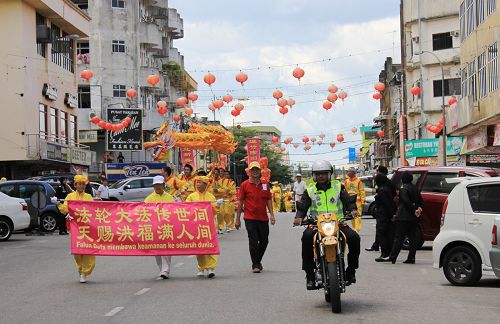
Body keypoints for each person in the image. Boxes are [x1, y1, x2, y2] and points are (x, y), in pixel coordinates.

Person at [294, 160, 360, 288]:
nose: (321, 176)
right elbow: (303, 205)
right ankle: (310, 275)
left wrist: (353, 209)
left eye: (324, 173)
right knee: (306, 237)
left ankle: (351, 270)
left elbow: (348, 200)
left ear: (329, 174)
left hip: (338, 222)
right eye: (318, 174)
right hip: (316, 224)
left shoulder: (338, 186)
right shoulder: (310, 189)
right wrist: (298, 217)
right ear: (314, 175)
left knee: (354, 238)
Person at [235, 161, 276, 273]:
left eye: (256, 169)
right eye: (252, 170)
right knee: (253, 241)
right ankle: (255, 264)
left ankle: (258, 260)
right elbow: (241, 202)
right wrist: (237, 219)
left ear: (260, 171)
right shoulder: (244, 185)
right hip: (250, 218)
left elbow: (268, 199)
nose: (254, 172)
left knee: (264, 241)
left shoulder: (265, 184)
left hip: (263, 218)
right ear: (249, 171)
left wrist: (272, 215)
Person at [56, 175, 95, 283]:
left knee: (87, 250)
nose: (81, 186)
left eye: (83, 184)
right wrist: (58, 204)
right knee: (77, 252)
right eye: (79, 184)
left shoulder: (88, 197)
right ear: (75, 185)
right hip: (74, 228)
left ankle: (84, 272)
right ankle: (80, 268)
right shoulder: (70, 196)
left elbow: (93, 210)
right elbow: (65, 210)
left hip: (87, 228)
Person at [382, 172, 423, 264]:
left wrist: (413, 209)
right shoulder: (415, 188)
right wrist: (419, 208)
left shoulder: (403, 188)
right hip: (414, 218)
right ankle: (411, 258)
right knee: (413, 238)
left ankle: (393, 257)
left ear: (403, 179)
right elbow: (421, 200)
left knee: (399, 237)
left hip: (403, 216)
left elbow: (405, 201)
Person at [186, 175, 219, 278]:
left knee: (210, 246)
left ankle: (210, 268)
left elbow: (214, 211)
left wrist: (217, 205)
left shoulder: (211, 196)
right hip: (196, 225)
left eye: (200, 183)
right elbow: (186, 208)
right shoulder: (192, 196)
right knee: (199, 247)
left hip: (209, 225)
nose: (198, 184)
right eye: (197, 183)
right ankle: (201, 267)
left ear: (206, 184)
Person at [144, 175, 175, 279]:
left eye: (159, 184)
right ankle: (161, 269)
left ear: (163, 185)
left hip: (167, 227)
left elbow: (174, 212)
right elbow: (144, 214)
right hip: (154, 228)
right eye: (155, 185)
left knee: (166, 249)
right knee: (157, 251)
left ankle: (165, 270)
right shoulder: (149, 199)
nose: (157, 187)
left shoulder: (170, 198)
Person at [373, 174, 396, 262]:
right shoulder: (388, 188)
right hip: (386, 215)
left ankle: (385, 253)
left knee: (381, 233)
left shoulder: (382, 190)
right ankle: (388, 253)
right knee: (388, 234)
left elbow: (386, 204)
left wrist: (391, 214)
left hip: (383, 215)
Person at [344, 167, 366, 232]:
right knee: (352, 215)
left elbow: (362, 191)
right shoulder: (346, 181)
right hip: (350, 201)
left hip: (357, 201)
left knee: (357, 215)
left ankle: (357, 228)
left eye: (349, 171)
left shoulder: (358, 181)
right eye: (347, 171)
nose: (348, 173)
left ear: (353, 173)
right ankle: (354, 228)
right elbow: (345, 191)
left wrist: (363, 201)